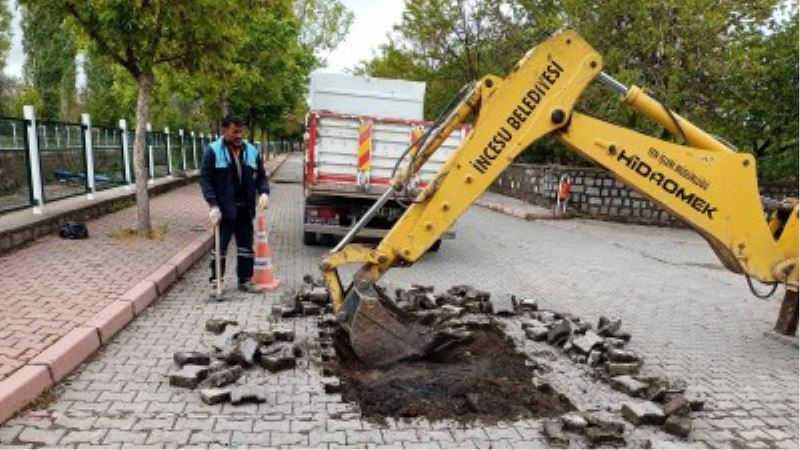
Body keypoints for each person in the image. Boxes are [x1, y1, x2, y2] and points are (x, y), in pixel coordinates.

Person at [199, 114, 269, 293]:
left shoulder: (251, 151)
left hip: (246, 208)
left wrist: (264, 192)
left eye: (240, 131)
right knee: (220, 247)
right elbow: (205, 179)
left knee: (246, 246)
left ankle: (244, 280)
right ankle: (217, 282)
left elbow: (261, 176)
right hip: (224, 210)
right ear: (224, 131)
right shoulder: (213, 151)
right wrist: (213, 205)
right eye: (234, 132)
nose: (238, 136)